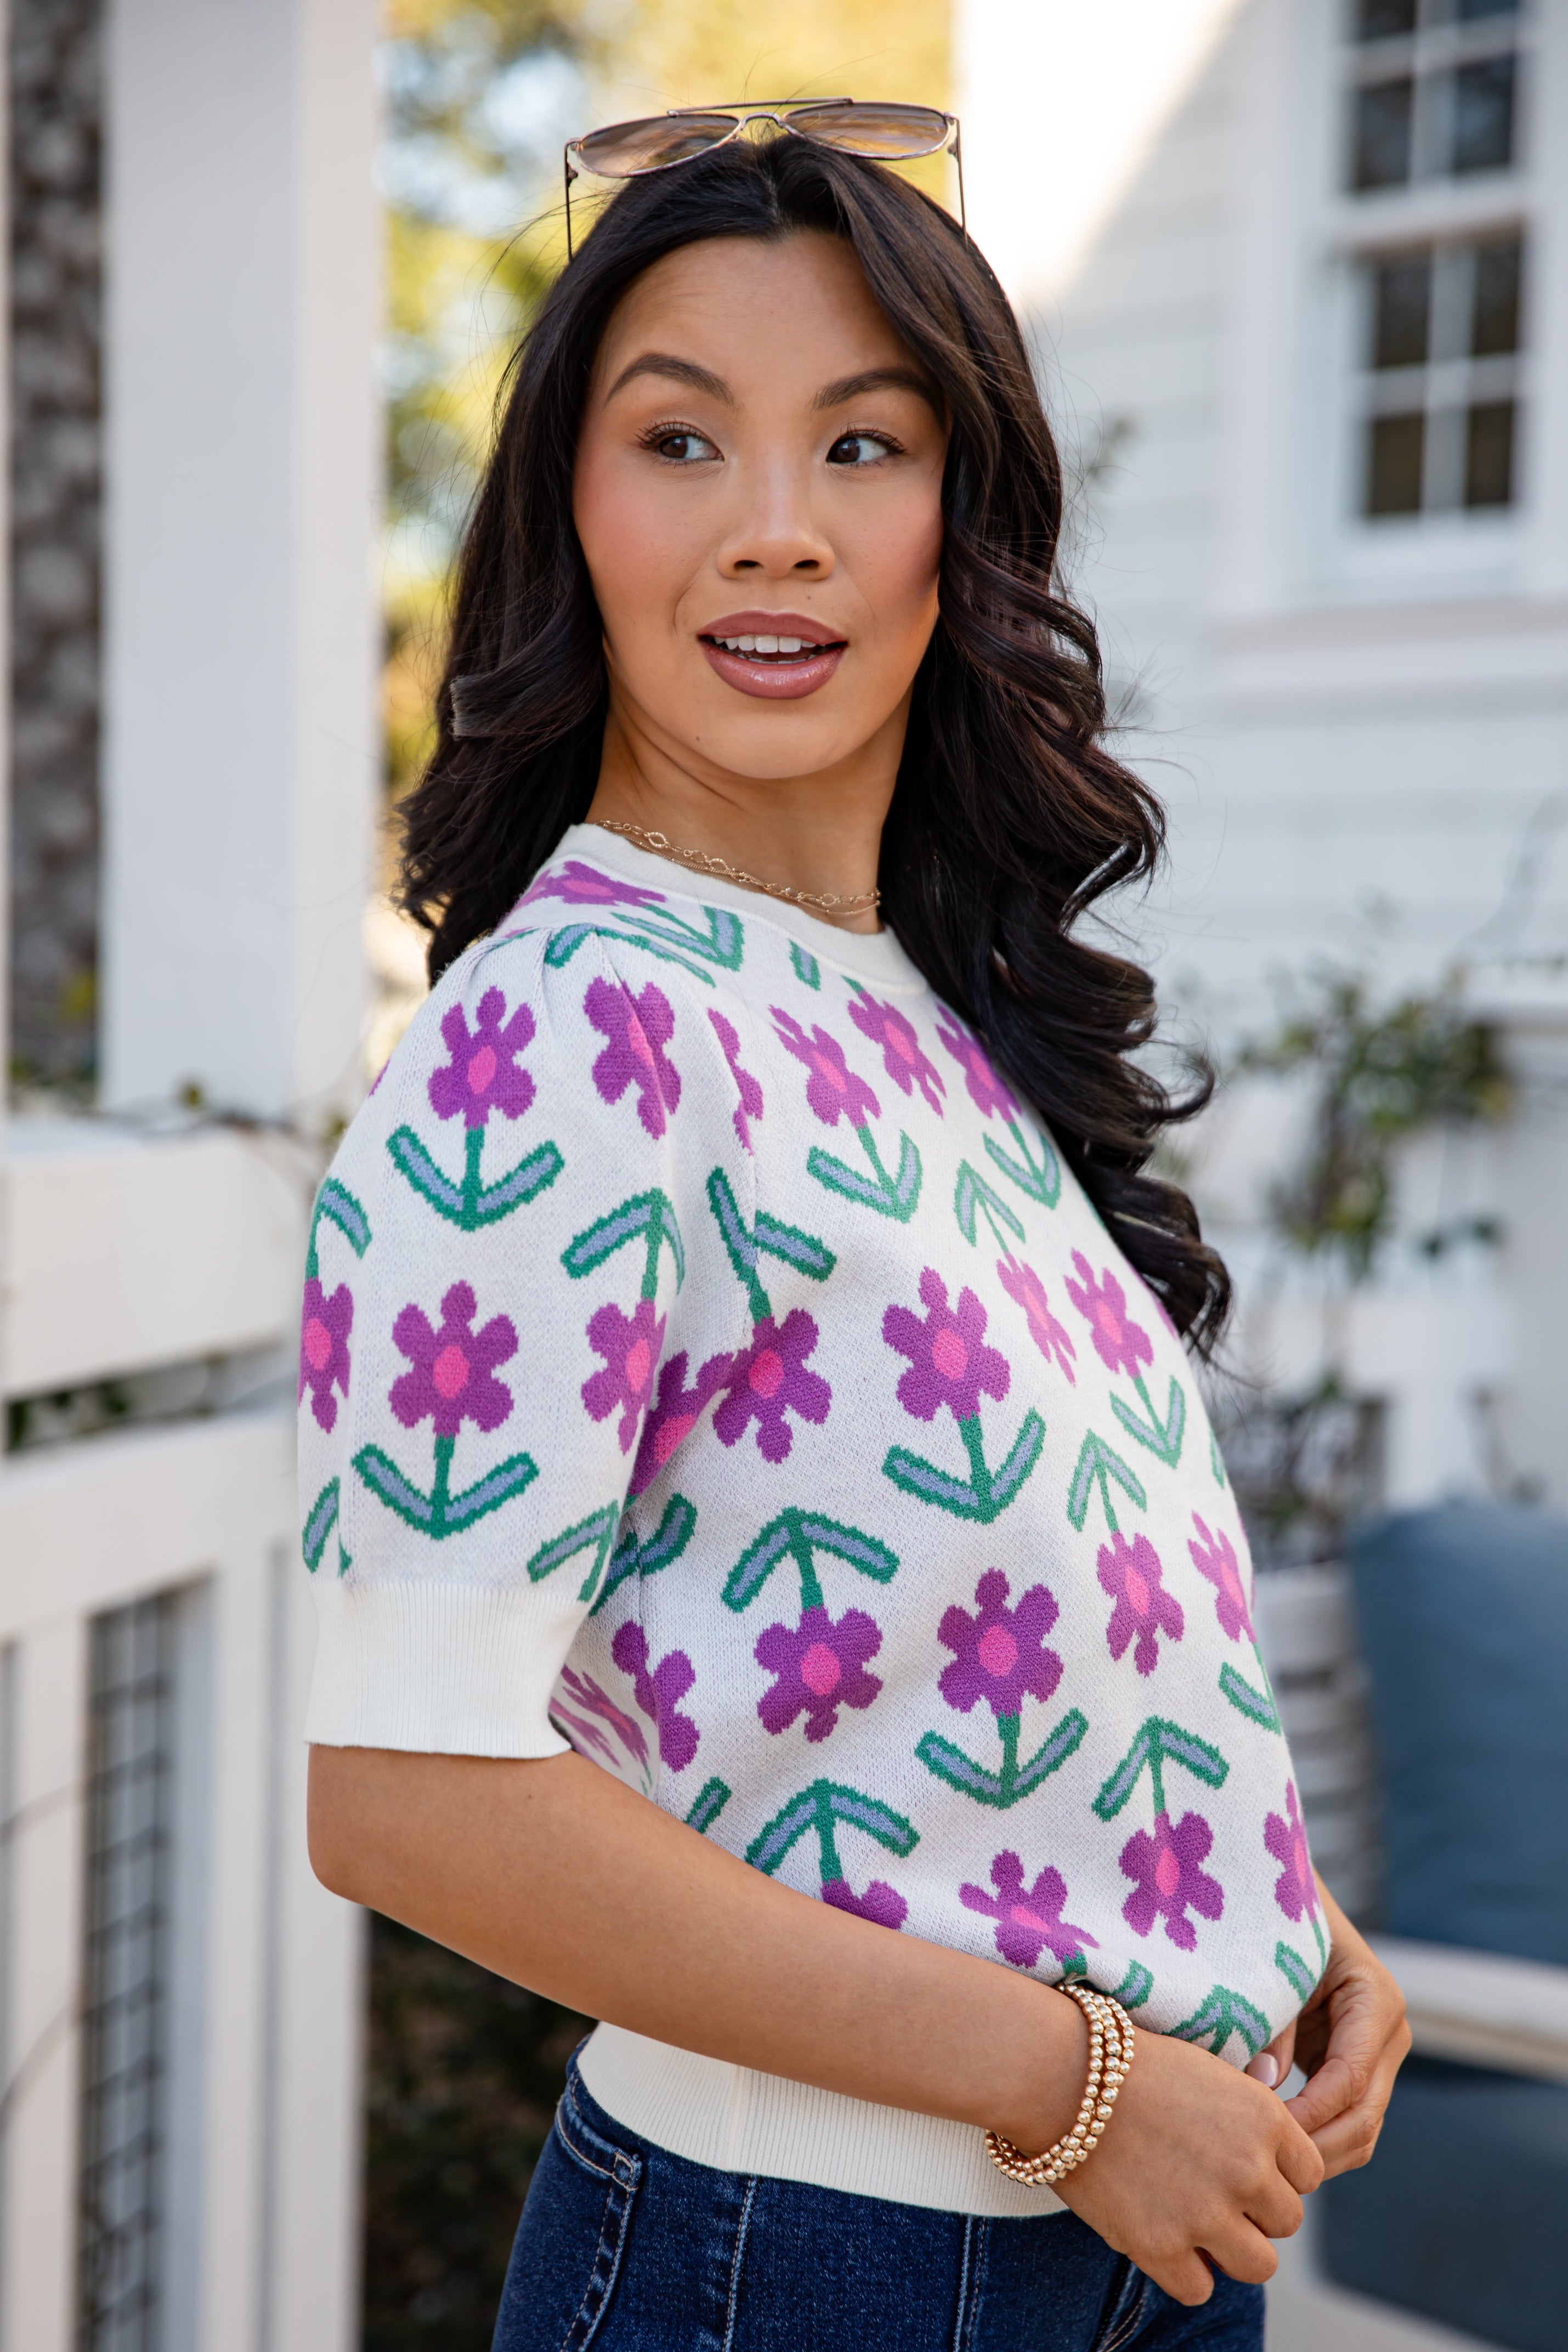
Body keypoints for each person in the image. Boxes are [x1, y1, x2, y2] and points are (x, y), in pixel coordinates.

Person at [304, 120, 1408, 2352]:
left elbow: (983, 1634)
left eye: (864, 441)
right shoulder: (566, 1030)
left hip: (1132, 2230)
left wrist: (1253, 1927)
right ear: (571, 514)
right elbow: (411, 1794)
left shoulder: (919, 1008)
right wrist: (1078, 2074)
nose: (772, 530)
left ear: (963, 520)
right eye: (678, 437)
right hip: (810, 2262)